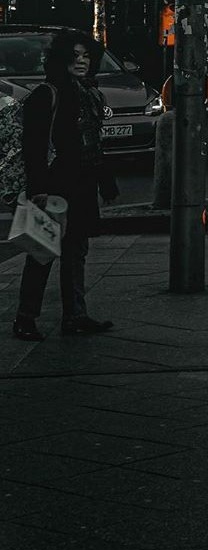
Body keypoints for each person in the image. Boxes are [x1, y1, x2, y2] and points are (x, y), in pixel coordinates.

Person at [12, 30, 119, 341]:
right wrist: (38, 190)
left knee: (76, 252)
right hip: (54, 187)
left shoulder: (88, 93)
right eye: (76, 56)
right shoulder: (47, 95)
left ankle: (75, 315)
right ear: (61, 59)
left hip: (82, 186)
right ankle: (25, 318)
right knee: (41, 252)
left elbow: (92, 144)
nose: (82, 61)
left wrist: (105, 182)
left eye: (87, 56)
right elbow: (33, 147)